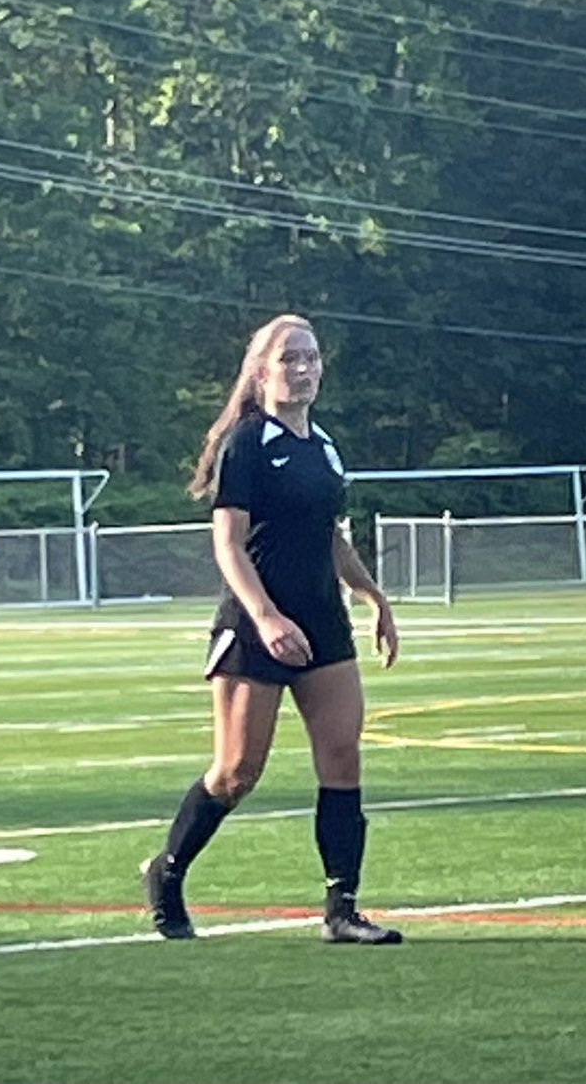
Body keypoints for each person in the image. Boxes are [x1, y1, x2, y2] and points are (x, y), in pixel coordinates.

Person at [141, 313, 403, 945]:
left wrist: (371, 594)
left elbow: (331, 537)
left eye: (312, 357)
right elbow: (228, 544)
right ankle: (167, 872)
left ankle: (342, 910)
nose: (305, 368)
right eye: (290, 358)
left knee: (342, 757)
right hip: (255, 624)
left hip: (322, 624)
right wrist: (265, 616)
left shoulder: (326, 447)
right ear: (261, 372)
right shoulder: (247, 444)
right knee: (237, 771)